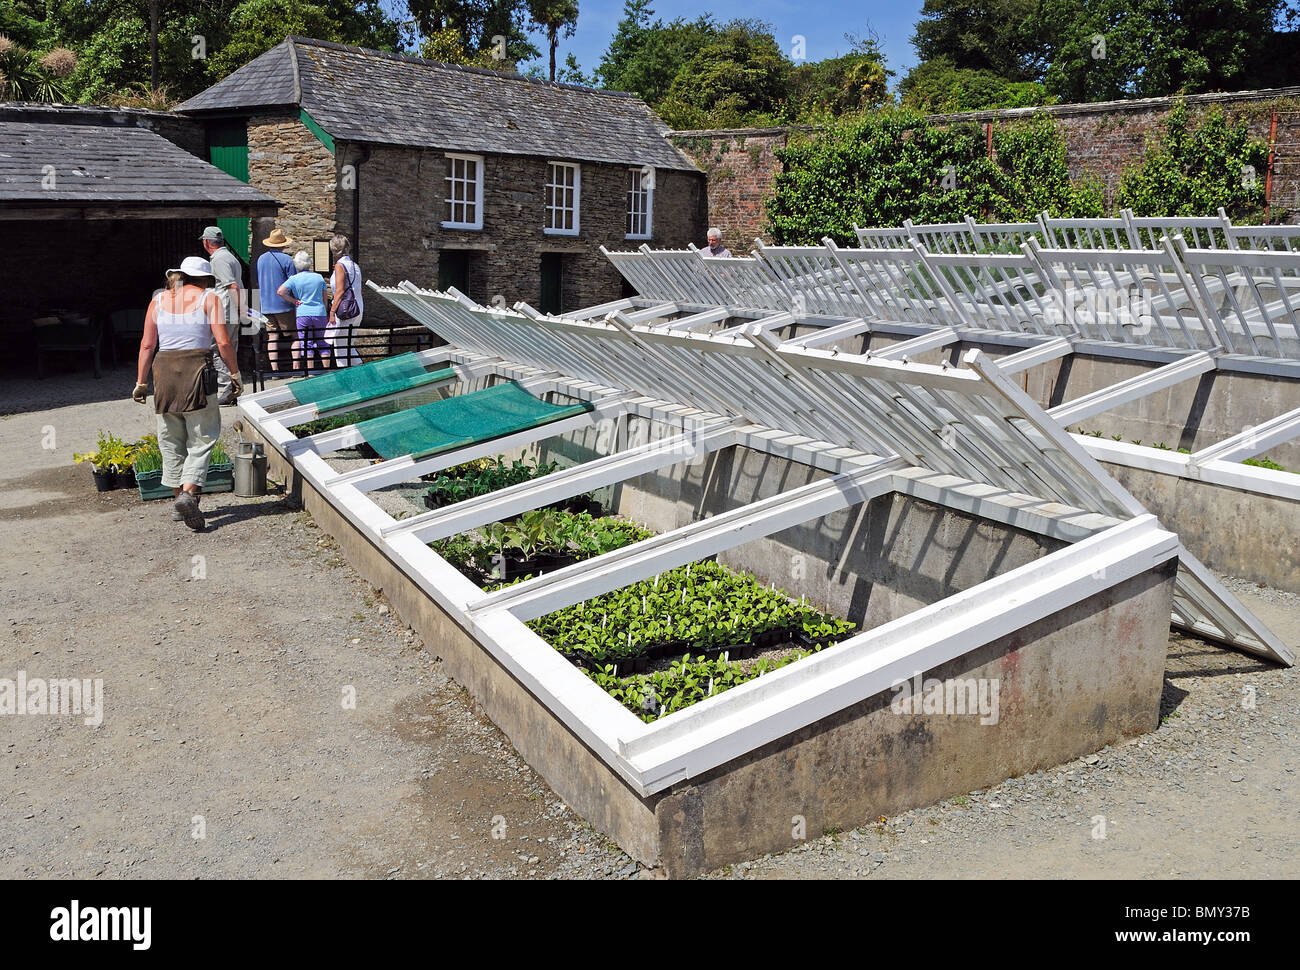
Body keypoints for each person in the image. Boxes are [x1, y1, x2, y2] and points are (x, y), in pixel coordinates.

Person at [132, 256, 241, 532]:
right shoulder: (209, 298)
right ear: (205, 278)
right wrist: (235, 373)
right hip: (197, 371)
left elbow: (147, 345)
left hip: (164, 372)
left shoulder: (157, 300)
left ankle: (178, 502)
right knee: (202, 435)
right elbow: (223, 341)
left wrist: (141, 382)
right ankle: (189, 494)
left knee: (170, 437)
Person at [199, 226, 245, 403]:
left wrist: (241, 307)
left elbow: (231, 285)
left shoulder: (219, 259)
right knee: (229, 350)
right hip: (230, 309)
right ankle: (231, 388)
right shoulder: (229, 257)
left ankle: (226, 391)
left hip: (224, 310)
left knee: (217, 350)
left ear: (206, 242)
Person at [278, 251, 330, 370]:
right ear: (309, 263)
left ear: (296, 264)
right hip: (319, 312)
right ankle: (327, 370)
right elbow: (324, 298)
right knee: (323, 342)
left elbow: (280, 291)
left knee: (306, 343)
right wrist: (325, 311)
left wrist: (293, 301)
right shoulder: (318, 277)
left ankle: (310, 371)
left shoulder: (294, 279)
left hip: (302, 313)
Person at [255, 227, 297, 373]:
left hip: (266, 304)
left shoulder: (260, 259)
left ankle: (274, 370)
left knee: (272, 337)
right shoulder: (287, 260)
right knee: (295, 335)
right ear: (283, 244)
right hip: (284, 305)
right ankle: (296, 368)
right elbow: (293, 283)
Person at [325, 234, 364, 368]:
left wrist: (332, 311)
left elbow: (340, 291)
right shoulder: (354, 265)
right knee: (348, 344)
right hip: (358, 308)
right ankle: (361, 372)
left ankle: (345, 379)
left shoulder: (339, 266)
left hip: (345, 309)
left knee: (340, 345)